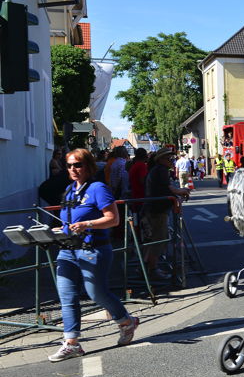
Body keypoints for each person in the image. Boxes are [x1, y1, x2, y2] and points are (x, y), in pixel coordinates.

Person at [48, 148, 140, 362]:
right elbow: (69, 223)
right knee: (67, 297)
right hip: (67, 251)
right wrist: (60, 231)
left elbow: (113, 219)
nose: (73, 169)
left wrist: (87, 224)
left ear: (88, 167)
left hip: (93, 250)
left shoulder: (99, 188)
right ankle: (71, 343)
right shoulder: (70, 190)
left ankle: (126, 321)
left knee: (96, 293)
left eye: (77, 165)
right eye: (69, 165)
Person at [142, 148, 190, 280]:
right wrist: (180, 192)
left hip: (154, 208)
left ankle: (145, 267)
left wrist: (178, 193)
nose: (172, 160)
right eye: (169, 158)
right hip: (157, 210)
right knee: (159, 239)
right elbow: (168, 188)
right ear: (162, 159)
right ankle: (152, 269)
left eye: (172, 158)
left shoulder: (158, 170)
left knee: (154, 240)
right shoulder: (160, 170)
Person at [128, 148, 149, 216]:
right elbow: (142, 180)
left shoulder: (135, 165)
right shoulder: (141, 165)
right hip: (141, 196)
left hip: (136, 196)